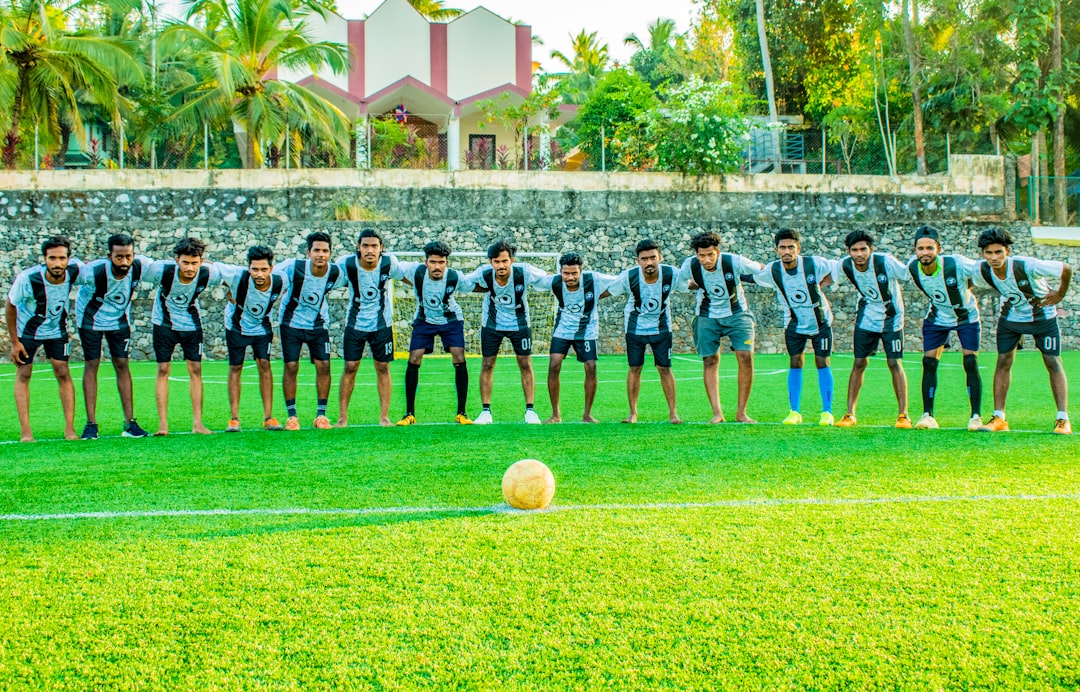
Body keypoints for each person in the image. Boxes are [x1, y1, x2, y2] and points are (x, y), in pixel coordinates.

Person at [973, 226, 1072, 434]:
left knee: (1053, 361)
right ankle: (999, 417)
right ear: (983, 254)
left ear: (1007, 251)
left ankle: (1062, 419)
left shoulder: (1027, 266)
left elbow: (1066, 269)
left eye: (998, 252)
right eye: (989, 253)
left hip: (1042, 316)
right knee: (1003, 361)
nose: (994, 257)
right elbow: (967, 281)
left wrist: (1060, 294)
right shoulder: (981, 269)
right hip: (1011, 318)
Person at [748, 229, 839, 426]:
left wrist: (823, 284)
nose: (786, 251)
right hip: (793, 323)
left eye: (791, 247)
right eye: (782, 247)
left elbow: (838, 268)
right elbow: (751, 277)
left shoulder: (814, 263)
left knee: (822, 361)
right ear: (776, 250)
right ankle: (794, 412)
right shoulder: (773, 270)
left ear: (798, 248)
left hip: (820, 321)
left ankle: (827, 412)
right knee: (795, 362)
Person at [74, 233, 154, 439]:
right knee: (92, 364)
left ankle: (130, 423)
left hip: (119, 322)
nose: (124, 261)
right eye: (119, 257)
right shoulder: (93, 271)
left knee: (122, 365)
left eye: (128, 256)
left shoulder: (140, 266)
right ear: (109, 255)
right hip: (90, 321)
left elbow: (170, 267)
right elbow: (69, 272)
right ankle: (91, 424)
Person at [679, 231, 763, 424]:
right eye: (702, 256)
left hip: (738, 313)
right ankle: (717, 413)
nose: (706, 260)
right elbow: (681, 282)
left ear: (717, 251)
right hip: (707, 316)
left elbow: (760, 268)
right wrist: (697, 286)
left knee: (745, 357)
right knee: (709, 360)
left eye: (710, 255)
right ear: (696, 254)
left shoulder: (734, 261)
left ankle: (741, 413)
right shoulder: (690, 266)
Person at [830, 230, 912, 428]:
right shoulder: (845, 265)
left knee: (894, 362)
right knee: (859, 363)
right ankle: (850, 414)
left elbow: (909, 273)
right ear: (848, 251)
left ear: (870, 249)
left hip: (892, 318)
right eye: (855, 250)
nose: (859, 254)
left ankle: (903, 415)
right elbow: (830, 278)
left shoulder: (885, 262)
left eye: (863, 249)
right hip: (867, 318)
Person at [906, 225, 983, 431]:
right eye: (920, 248)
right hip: (937, 317)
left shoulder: (955, 263)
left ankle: (975, 416)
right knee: (928, 362)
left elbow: (980, 271)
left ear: (938, 249)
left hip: (965, 316)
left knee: (970, 362)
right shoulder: (913, 267)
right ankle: (927, 415)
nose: (925, 253)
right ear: (915, 250)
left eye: (929, 248)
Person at [602, 239, 686, 424]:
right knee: (635, 368)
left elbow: (691, 284)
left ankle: (673, 413)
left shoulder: (671, 274)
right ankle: (633, 413)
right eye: (644, 259)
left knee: (664, 368)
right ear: (638, 260)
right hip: (635, 328)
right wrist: (587, 299)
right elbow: (609, 291)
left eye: (653, 258)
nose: (649, 262)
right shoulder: (629, 276)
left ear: (660, 258)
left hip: (662, 327)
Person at [6, 236, 81, 442]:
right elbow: (11, 305)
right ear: (44, 258)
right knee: (24, 373)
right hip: (28, 331)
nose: (57, 263)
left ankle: (70, 429)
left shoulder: (75, 271)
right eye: (52, 258)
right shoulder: (28, 279)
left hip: (56, 330)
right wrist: (15, 342)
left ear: (68, 259)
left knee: (63, 372)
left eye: (62, 258)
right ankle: (26, 432)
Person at [396, 240, 477, 425]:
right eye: (433, 262)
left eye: (441, 262)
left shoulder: (455, 277)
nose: (437, 266)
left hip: (451, 319)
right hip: (424, 319)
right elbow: (393, 267)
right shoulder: (415, 271)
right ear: (426, 262)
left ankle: (462, 413)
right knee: (414, 358)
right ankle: (409, 413)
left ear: (447, 262)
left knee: (458, 356)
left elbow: (475, 285)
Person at [470, 239, 550, 425]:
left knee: (525, 363)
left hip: (520, 324)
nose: (501, 265)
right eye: (497, 262)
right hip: (491, 325)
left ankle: (530, 410)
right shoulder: (484, 273)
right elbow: (464, 282)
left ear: (511, 260)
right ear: (491, 262)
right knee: (487, 364)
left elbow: (547, 278)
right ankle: (485, 411)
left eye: (505, 261)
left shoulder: (525, 271)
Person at [273, 231, 346, 431]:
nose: (320, 254)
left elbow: (356, 277)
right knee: (291, 366)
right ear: (308, 252)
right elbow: (268, 275)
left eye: (325, 251)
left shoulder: (335, 273)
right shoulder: (293, 267)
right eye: (316, 250)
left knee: (323, 365)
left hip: (318, 324)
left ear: (330, 253)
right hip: (291, 323)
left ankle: (321, 415)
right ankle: (292, 416)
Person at [536, 252, 617, 423]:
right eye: (566, 273)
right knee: (554, 364)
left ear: (581, 271)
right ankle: (555, 414)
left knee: (591, 366)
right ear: (561, 272)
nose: (570, 277)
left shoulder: (594, 279)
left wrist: (599, 296)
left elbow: (619, 282)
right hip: (563, 329)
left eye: (574, 273)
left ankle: (587, 414)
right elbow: (533, 280)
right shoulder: (554, 282)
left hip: (587, 330)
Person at [335, 228, 403, 427]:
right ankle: (342, 417)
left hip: (382, 324)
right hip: (355, 324)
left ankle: (384, 417)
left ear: (381, 248)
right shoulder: (347, 264)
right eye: (366, 246)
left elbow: (406, 276)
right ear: (359, 247)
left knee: (382, 366)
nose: (370, 250)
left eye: (374, 246)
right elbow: (328, 281)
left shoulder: (390, 263)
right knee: (350, 367)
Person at [217, 245, 286, 432]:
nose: (259, 274)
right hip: (236, 327)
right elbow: (211, 266)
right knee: (235, 367)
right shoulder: (237, 276)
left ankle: (268, 418)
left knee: (264, 365)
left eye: (264, 269)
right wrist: (228, 287)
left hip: (262, 328)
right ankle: (234, 419)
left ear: (271, 269)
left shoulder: (281, 280)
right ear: (249, 268)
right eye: (255, 269)